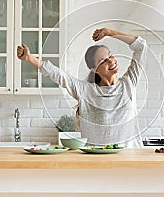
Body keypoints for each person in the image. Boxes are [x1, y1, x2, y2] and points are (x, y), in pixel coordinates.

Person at [17, 28, 147, 148]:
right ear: (94, 69)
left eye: (110, 55)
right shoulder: (85, 91)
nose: (111, 61)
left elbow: (141, 46)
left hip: (130, 160)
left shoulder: (129, 83)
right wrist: (29, 58)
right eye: (103, 61)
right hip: (96, 163)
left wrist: (109, 32)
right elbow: (58, 74)